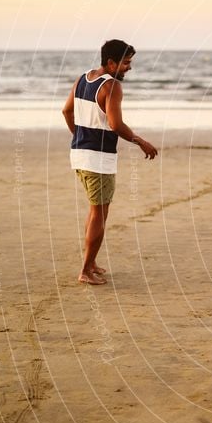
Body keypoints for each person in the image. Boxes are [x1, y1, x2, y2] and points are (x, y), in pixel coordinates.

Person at [62, 39, 158, 285]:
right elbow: (116, 125)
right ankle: (85, 270)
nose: (129, 68)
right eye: (126, 63)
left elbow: (66, 111)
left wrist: (80, 137)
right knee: (99, 215)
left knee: (96, 212)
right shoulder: (112, 86)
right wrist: (140, 141)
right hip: (98, 160)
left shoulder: (83, 78)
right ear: (111, 62)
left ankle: (91, 262)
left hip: (80, 156)